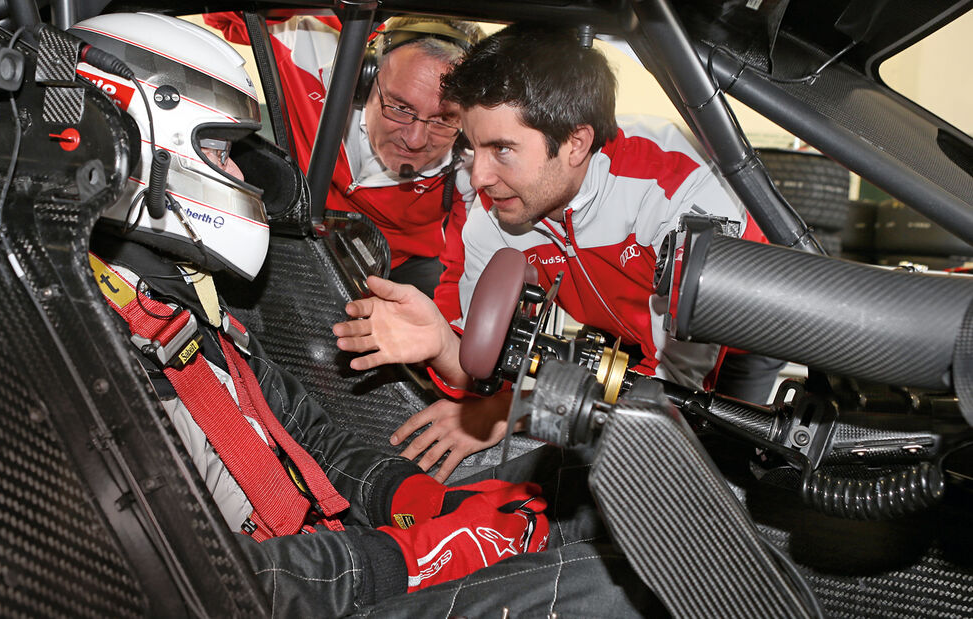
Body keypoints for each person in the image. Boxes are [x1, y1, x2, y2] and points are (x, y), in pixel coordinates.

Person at [71, 13, 645, 618]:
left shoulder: (194, 305)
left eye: (455, 129)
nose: (472, 170)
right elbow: (168, 578)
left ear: (577, 142)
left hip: (328, 549)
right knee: (606, 590)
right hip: (292, 583)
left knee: (586, 487)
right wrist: (417, 553)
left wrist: (418, 500)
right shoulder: (84, 344)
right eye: (221, 149)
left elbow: (311, 435)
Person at [333, 23, 769, 481]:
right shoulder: (495, 212)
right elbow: (476, 360)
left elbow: (671, 394)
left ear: (576, 143)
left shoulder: (674, 188)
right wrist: (444, 344)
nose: (478, 176)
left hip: (735, 350)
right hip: (624, 354)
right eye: (472, 146)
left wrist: (516, 411)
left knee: (724, 480)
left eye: (502, 149)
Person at [204, 11, 482, 312]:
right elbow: (221, 16)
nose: (415, 139)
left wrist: (438, 349)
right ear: (365, 79)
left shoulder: (474, 164)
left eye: (444, 119)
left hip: (397, 269)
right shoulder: (309, 50)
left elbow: (464, 279)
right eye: (400, 107)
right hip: (292, 241)